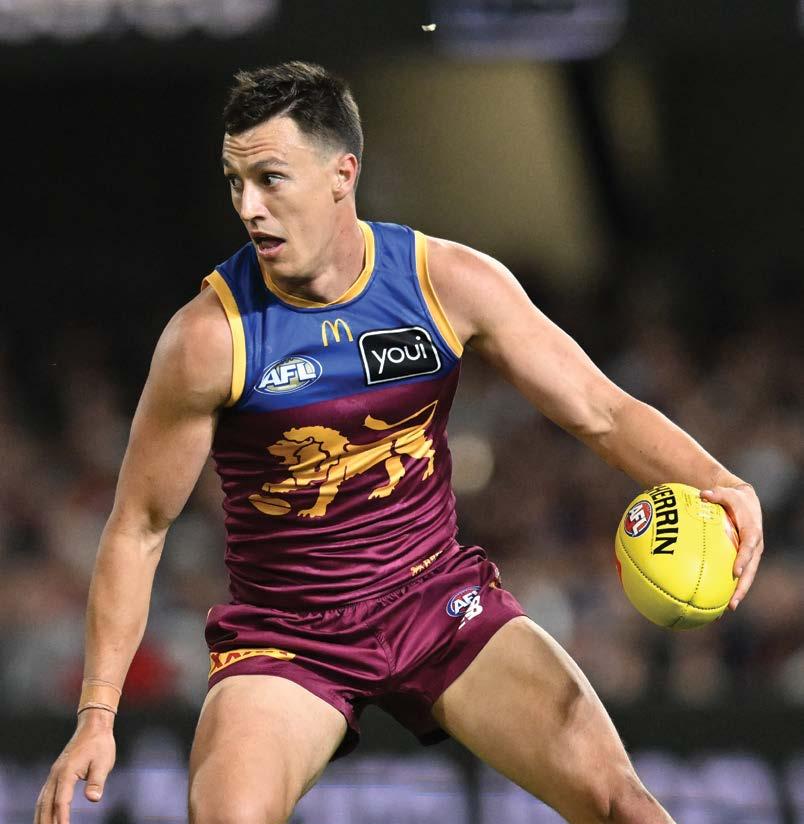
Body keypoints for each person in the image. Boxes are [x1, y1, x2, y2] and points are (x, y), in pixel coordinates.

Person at [35, 61, 764, 824]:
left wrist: (722, 481)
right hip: (290, 639)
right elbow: (138, 527)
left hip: (437, 601)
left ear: (342, 175)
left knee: (623, 805)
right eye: (234, 182)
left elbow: (601, 411)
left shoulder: (444, 282)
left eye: (271, 179)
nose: (249, 207)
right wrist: (97, 713)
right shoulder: (208, 339)